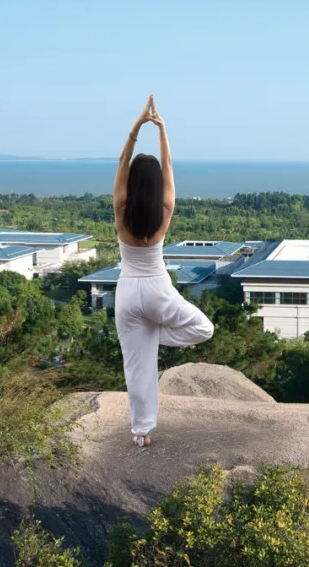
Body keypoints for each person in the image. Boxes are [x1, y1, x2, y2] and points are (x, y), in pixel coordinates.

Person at [113, 95, 215, 447]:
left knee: (137, 366)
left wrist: (137, 126)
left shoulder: (121, 210)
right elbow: (168, 163)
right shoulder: (165, 209)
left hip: (127, 292)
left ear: (131, 183)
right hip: (157, 289)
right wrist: (163, 129)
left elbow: (123, 160)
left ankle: (141, 433)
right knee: (204, 328)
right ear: (156, 185)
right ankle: (155, 338)